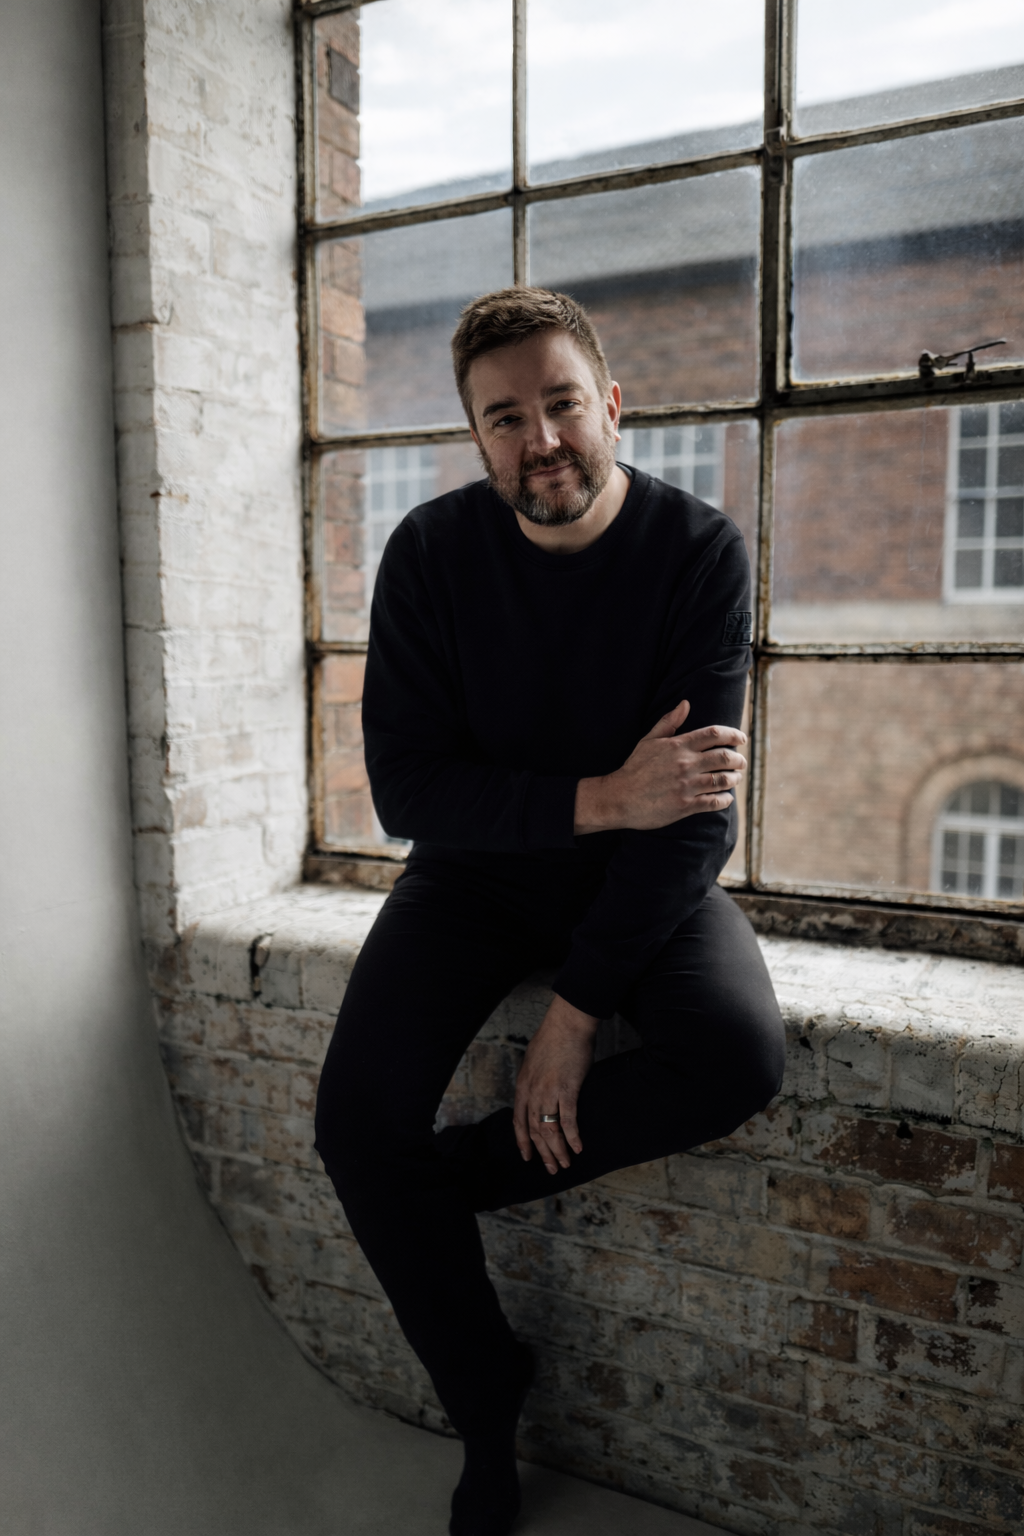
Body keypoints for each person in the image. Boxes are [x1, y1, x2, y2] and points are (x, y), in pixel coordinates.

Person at [314, 287, 785, 1536]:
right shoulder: (430, 554)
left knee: (737, 1054)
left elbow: (692, 814)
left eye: (562, 404)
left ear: (612, 406)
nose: (542, 442)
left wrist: (576, 1011)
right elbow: (412, 792)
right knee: (356, 1126)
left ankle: (441, 1189)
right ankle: (485, 1406)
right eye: (505, 418)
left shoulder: (698, 552)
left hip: (646, 884)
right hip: (471, 879)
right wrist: (596, 795)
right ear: (476, 439)